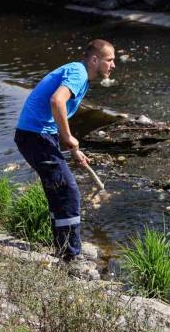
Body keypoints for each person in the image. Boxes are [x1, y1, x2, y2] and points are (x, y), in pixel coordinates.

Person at [14, 39, 115, 261]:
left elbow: (54, 117)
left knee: (58, 190)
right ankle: (71, 257)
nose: (113, 65)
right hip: (34, 135)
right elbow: (57, 101)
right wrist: (69, 137)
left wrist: (72, 149)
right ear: (95, 59)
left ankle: (63, 250)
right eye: (110, 60)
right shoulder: (79, 73)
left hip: (37, 135)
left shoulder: (80, 75)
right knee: (68, 191)